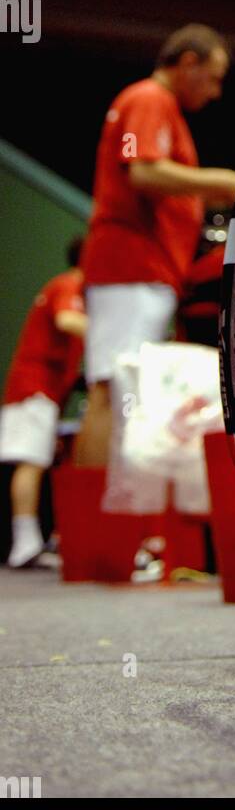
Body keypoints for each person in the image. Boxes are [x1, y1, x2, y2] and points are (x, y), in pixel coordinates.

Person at [77, 24, 235, 466]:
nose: (215, 92)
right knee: (113, 390)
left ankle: (109, 520)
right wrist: (223, 183)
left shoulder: (160, 107)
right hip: (131, 267)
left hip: (145, 272)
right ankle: (93, 525)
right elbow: (143, 172)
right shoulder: (150, 99)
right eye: (213, 77)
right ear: (188, 63)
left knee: (121, 390)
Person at [1, 239, 87, 567]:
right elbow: (67, 321)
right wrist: (109, 334)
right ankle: (25, 543)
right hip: (35, 389)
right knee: (31, 461)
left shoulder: (65, 286)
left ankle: (35, 540)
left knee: (37, 461)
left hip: (42, 390)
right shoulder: (71, 284)